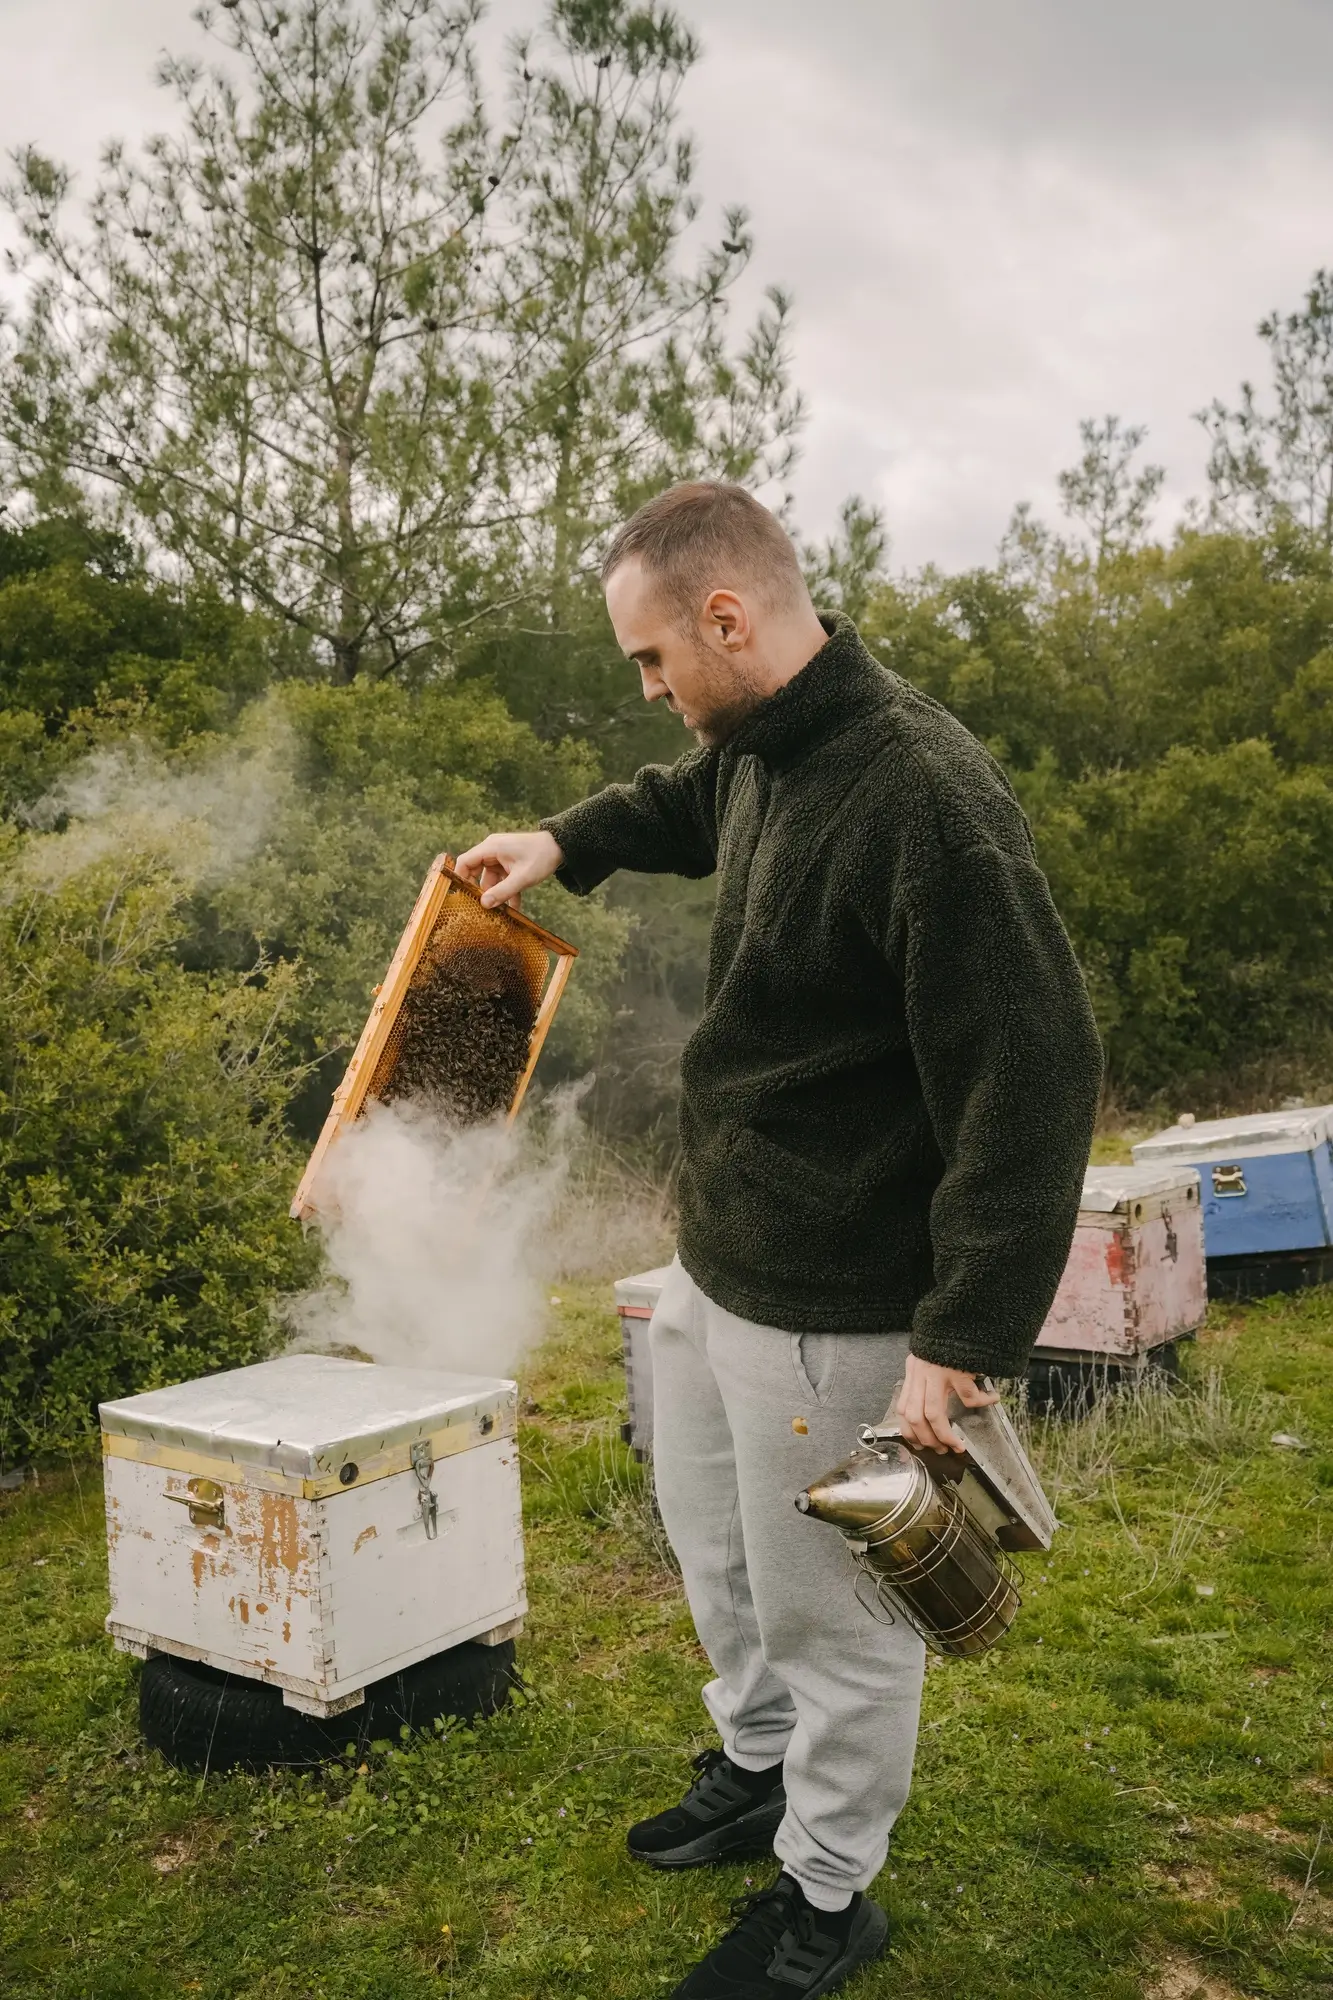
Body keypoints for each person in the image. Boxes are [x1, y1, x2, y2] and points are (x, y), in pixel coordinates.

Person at [457, 481, 1103, 2000]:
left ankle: (829, 1895)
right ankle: (756, 1764)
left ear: (727, 621)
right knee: (716, 1553)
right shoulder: (755, 747)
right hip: (720, 1261)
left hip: (844, 1305)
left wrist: (964, 1338)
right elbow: (686, 804)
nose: (652, 692)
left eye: (650, 664)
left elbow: (1038, 1075)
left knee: (837, 1619)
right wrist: (564, 841)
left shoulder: (927, 801)